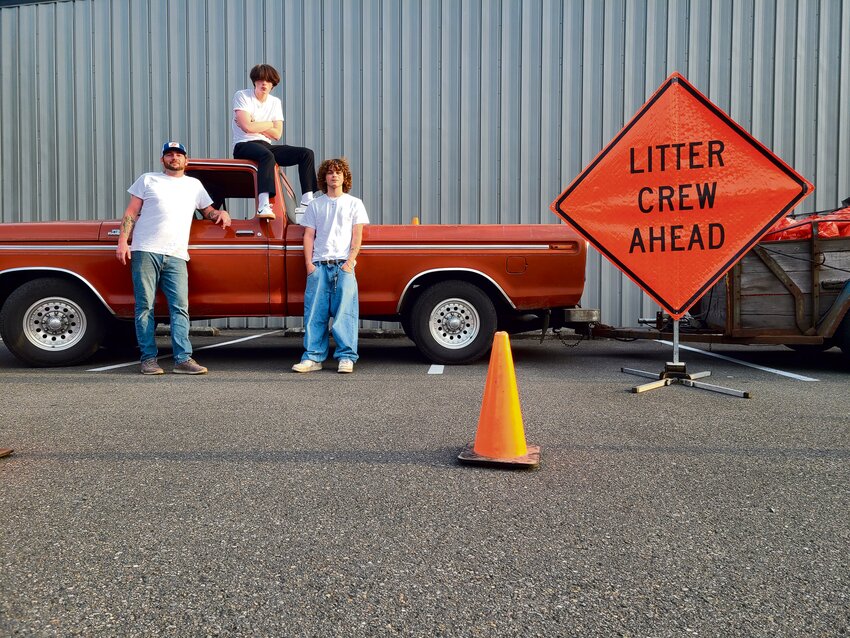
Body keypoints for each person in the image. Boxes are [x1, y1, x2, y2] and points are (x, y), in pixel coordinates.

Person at [116, 141, 231, 375]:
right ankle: (148, 359)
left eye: (178, 155)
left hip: (177, 254)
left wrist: (221, 212)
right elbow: (131, 212)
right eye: (169, 154)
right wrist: (122, 241)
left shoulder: (194, 185)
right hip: (146, 249)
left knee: (180, 307)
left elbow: (207, 211)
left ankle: (183, 359)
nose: (174, 158)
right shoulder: (148, 179)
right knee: (145, 306)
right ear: (163, 160)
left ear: (186, 161)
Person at [293, 158, 369, 374]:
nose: (334, 175)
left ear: (345, 177)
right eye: (330, 172)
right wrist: (309, 264)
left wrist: (350, 262)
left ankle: (346, 357)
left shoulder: (355, 203)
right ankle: (312, 358)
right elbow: (308, 236)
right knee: (315, 314)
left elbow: (358, 235)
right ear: (323, 177)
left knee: (345, 313)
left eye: (338, 172)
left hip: (343, 266)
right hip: (319, 265)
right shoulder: (316, 205)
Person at [231, 63, 319, 220]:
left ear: (273, 84)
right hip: (244, 145)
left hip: (265, 145)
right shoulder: (242, 96)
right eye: (260, 79)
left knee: (306, 153)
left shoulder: (275, 102)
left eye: (268, 80)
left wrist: (255, 123)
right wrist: (268, 124)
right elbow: (246, 127)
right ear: (254, 81)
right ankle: (263, 204)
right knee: (267, 157)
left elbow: (277, 134)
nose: (264, 83)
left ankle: (307, 201)